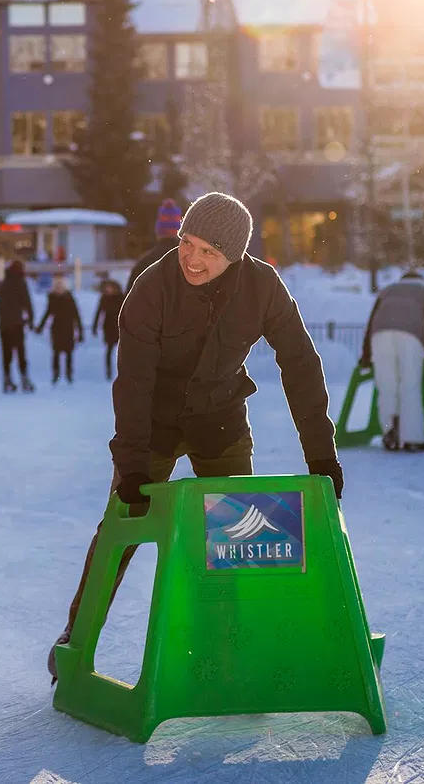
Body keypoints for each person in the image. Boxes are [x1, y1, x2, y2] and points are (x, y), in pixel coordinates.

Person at [49, 192, 342, 681]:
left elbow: (300, 364)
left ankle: (236, 645)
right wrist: (134, 463)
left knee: (238, 534)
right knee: (120, 531)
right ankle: (75, 639)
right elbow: (135, 382)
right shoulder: (152, 288)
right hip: (155, 422)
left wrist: (321, 454)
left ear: (234, 256)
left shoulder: (262, 286)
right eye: (188, 242)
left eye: (209, 251)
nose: (193, 258)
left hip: (220, 418)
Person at [359, 270, 424, 452]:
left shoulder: (389, 289)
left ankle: (390, 432)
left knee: (387, 386)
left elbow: (371, 321)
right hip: (411, 334)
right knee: (409, 385)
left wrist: (365, 355)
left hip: (380, 333)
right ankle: (412, 439)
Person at [127, 198, 182, 294]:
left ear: (158, 231)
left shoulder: (144, 263)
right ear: (180, 232)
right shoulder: (190, 263)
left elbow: (129, 302)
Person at [36, 274, 85, 384]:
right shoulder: (52, 298)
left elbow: (76, 316)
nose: (58, 288)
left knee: (68, 353)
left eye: (60, 286)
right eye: (56, 286)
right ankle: (56, 375)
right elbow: (47, 313)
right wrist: (40, 327)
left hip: (68, 328)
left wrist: (80, 332)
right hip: (56, 329)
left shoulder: (69, 298)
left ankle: (69, 375)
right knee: (56, 353)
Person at [0, 259, 35, 393]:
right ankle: (24, 380)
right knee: (20, 353)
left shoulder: (3, 284)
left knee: (6, 354)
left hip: (4, 325)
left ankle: (7, 380)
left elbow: (0, 306)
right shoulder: (20, 283)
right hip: (17, 324)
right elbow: (27, 302)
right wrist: (30, 319)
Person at [91, 278, 124, 381]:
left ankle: (122, 371)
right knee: (109, 350)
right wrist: (95, 326)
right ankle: (108, 372)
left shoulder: (121, 297)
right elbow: (99, 312)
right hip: (108, 327)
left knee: (122, 351)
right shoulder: (104, 298)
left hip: (119, 326)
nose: (108, 290)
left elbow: (127, 312)